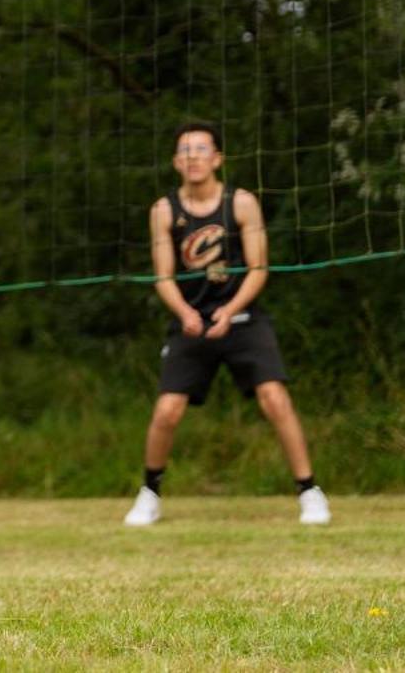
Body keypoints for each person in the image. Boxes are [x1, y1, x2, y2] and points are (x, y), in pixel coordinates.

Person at [123, 121, 330, 527]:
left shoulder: (241, 203)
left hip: (242, 317)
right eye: (185, 150)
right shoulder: (164, 210)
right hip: (191, 321)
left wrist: (231, 308)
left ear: (217, 158)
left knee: (274, 397)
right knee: (167, 410)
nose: (193, 156)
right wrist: (185, 313)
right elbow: (163, 276)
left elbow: (258, 267)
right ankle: (150, 492)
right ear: (175, 162)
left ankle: (309, 491)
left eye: (201, 149)